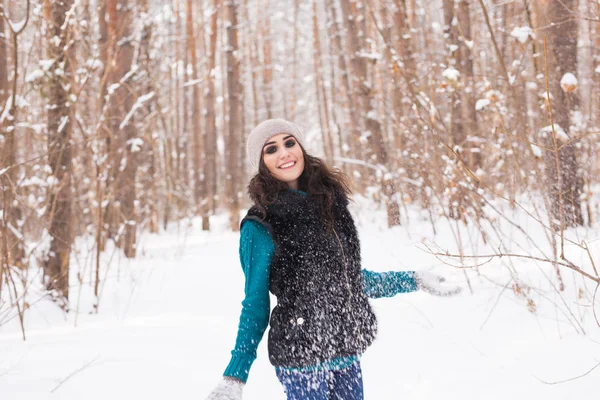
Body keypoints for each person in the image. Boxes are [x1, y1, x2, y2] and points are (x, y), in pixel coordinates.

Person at [206, 119, 461, 400]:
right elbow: (255, 304)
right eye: (271, 149)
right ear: (262, 162)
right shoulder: (260, 224)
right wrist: (235, 374)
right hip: (300, 358)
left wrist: (412, 280)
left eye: (290, 143)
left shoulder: (328, 203)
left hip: (345, 350)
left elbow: (346, 279)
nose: (284, 153)